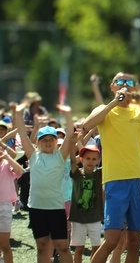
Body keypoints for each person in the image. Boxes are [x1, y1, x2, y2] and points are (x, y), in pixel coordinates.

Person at [82, 72, 140, 263]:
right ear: (112, 86)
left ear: (134, 87)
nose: (125, 85)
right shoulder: (104, 110)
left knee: (134, 242)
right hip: (115, 181)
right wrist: (114, 103)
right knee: (111, 240)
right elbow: (87, 125)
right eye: (120, 82)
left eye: (129, 82)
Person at [14, 102, 75, 263]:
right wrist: (19, 114)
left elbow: (69, 135)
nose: (48, 142)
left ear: (56, 142)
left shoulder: (60, 156)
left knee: (62, 246)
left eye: (51, 139)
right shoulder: (33, 156)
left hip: (55, 208)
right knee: (42, 245)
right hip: (37, 208)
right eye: (44, 139)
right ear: (38, 142)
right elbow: (21, 132)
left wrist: (68, 114)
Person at [70, 145, 104, 263]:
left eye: (94, 159)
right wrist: (73, 143)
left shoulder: (99, 174)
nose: (91, 161)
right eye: (87, 158)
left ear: (98, 161)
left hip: (95, 217)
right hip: (78, 218)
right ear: (81, 159)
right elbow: (72, 161)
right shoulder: (77, 174)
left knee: (97, 247)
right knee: (79, 248)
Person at [0, 124, 24, 263]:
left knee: (5, 245)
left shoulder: (6, 165)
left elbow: (20, 171)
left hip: (4, 207)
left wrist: (7, 157)